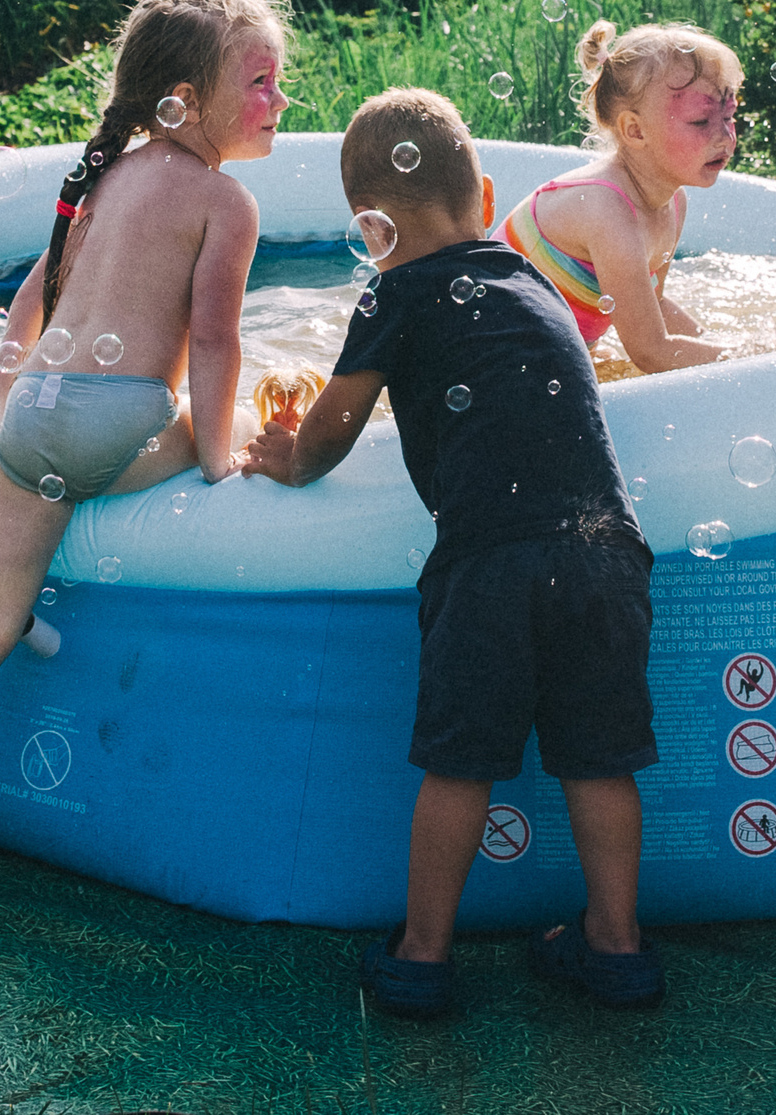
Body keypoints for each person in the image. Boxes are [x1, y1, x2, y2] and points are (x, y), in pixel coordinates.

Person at [243, 88, 663, 1017]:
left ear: (370, 230)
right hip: (605, 554)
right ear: (482, 195)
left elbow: (323, 444)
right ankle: (619, 945)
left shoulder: (393, 293)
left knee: (460, 766)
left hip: (491, 565)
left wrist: (279, 450)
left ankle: (423, 954)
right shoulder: (531, 281)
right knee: (601, 760)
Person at [0, 0, 288, 877]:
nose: (278, 98)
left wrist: (12, 393)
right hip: (122, 421)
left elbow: (30, 303)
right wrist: (216, 459)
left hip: (34, 424)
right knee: (236, 423)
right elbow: (215, 343)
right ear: (184, 100)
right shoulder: (226, 201)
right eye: (257, 81)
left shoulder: (110, 178)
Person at [500, 21, 741, 372]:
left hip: (539, 359)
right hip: (492, 358)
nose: (725, 137)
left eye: (730, 116)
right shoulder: (604, 209)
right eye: (701, 121)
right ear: (635, 130)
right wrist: (745, 356)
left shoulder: (673, 201)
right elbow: (651, 351)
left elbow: (652, 305)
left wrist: (721, 345)